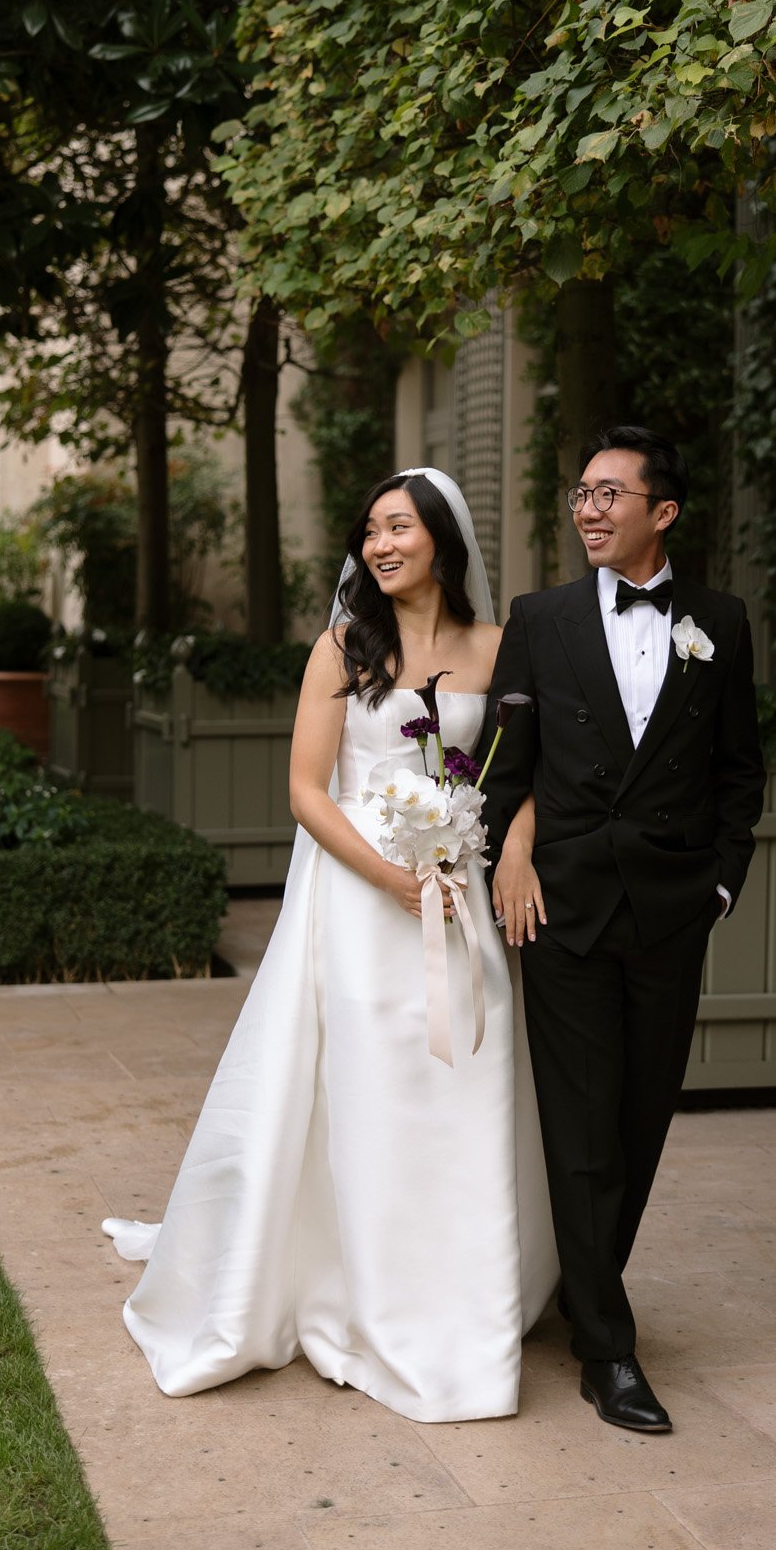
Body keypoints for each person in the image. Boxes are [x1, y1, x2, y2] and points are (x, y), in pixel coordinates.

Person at [104, 468, 557, 1423]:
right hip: (358, 896)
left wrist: (499, 844)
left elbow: (529, 773)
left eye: (400, 527)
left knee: (467, 1074)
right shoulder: (342, 649)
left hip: (460, 890)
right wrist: (393, 877)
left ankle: (462, 1289)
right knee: (364, 1082)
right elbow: (308, 792)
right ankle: (354, 1286)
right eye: (370, 529)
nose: (380, 544)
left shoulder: (500, 647)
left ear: (443, 538)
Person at [479, 425, 765, 1434]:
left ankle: (586, 1282)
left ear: (663, 511)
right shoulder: (539, 618)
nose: (587, 509)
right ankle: (607, 1344)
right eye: (580, 492)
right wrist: (504, 856)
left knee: (641, 1119)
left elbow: (739, 770)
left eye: (608, 493)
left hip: (672, 910)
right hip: (561, 909)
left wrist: (720, 888)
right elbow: (502, 765)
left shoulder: (720, 622)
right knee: (581, 1123)